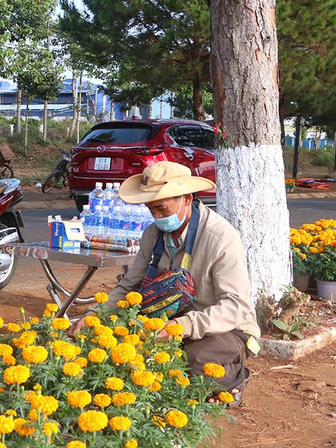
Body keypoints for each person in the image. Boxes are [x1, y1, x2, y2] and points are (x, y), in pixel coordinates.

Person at [72, 161, 260, 406]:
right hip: (166, 322)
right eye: (151, 210)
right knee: (115, 346)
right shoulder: (152, 234)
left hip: (223, 327)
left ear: (187, 199)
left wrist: (182, 326)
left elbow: (235, 306)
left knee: (194, 361)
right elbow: (129, 286)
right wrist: (96, 314)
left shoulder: (220, 237)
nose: (157, 217)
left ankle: (236, 376)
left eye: (161, 209)